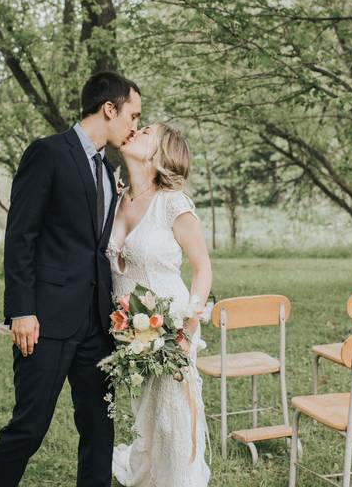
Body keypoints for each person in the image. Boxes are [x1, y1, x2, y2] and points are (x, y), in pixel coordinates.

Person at [0, 71, 142, 487]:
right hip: (46, 322)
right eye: (133, 115)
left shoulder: (108, 171)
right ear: (109, 108)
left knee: (99, 428)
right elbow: (21, 237)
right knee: (29, 427)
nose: (135, 126)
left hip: (97, 323)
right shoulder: (47, 153)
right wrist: (22, 309)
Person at [107, 123, 213, 487]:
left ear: (160, 154)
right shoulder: (115, 199)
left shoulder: (173, 203)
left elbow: (202, 269)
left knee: (172, 424)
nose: (135, 130)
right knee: (145, 420)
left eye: (146, 131)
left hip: (171, 331)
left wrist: (186, 330)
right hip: (130, 333)